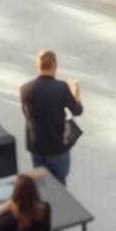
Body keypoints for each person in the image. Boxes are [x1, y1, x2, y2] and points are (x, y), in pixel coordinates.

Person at [20, 49, 82, 184]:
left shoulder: (25, 89)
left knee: (42, 184)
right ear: (55, 65)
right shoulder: (61, 88)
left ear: (38, 65)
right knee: (59, 181)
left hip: (36, 146)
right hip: (57, 146)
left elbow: (26, 114)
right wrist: (76, 94)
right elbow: (77, 111)